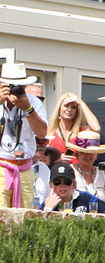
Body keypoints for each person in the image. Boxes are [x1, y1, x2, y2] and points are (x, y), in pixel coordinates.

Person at [0, 63, 48, 208]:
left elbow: (42, 133)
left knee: (25, 217)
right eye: (11, 86)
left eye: (20, 86)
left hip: (25, 167)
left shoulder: (33, 102)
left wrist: (27, 109)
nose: (15, 90)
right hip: (1, 165)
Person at [39, 160, 105, 214]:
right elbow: (38, 226)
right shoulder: (47, 202)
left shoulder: (87, 198)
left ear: (74, 184)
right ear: (51, 185)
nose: (62, 185)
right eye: (57, 182)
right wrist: (47, 209)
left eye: (67, 182)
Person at [67, 130, 105, 201]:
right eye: (83, 152)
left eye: (92, 152)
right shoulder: (69, 171)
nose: (88, 155)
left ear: (97, 154)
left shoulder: (103, 173)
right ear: (77, 154)